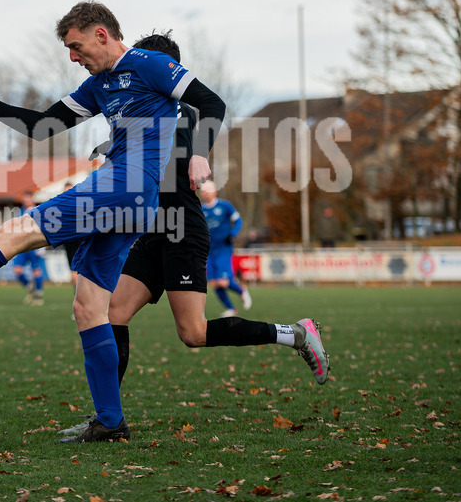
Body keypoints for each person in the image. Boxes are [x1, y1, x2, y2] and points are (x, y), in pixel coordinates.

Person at [0, 0, 226, 443]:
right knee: (88, 307)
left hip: (122, 188)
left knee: (14, 232)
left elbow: (210, 101)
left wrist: (199, 153)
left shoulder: (150, 63)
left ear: (101, 34)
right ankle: (110, 421)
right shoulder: (98, 84)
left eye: (75, 46)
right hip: (132, 202)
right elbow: (44, 126)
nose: (72, 57)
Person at [58, 33, 329, 437]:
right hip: (152, 231)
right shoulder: (140, 110)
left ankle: (296, 334)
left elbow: (168, 146)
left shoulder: (177, 109)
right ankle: (107, 417)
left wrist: (115, 148)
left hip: (183, 230)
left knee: (194, 334)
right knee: (113, 311)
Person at [199, 180, 252, 315]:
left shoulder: (225, 206)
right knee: (215, 283)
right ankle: (231, 308)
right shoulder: (201, 209)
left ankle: (242, 291)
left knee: (223, 281)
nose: (205, 194)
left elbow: (239, 221)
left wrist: (233, 234)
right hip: (209, 250)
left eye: (208, 191)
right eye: (203, 191)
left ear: (215, 192)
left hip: (223, 248)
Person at [12, 192, 47, 304]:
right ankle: (29, 287)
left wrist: (42, 245)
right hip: (23, 246)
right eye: (24, 199)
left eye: (28, 198)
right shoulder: (20, 211)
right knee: (17, 270)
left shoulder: (38, 210)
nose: (26, 201)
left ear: (32, 199)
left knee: (36, 271)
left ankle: (38, 294)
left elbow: (43, 227)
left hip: (34, 246)